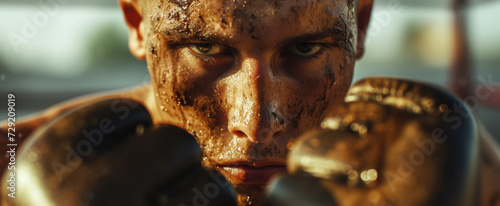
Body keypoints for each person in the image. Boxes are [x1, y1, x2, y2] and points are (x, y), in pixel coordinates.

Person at [0, 0, 499, 205]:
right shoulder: (12, 164)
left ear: (360, 24)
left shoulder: (474, 181)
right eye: (206, 49)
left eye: (305, 49)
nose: (257, 122)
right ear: (137, 23)